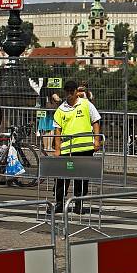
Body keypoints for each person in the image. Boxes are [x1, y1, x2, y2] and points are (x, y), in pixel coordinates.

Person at [53, 80, 102, 214]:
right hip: (67, 149)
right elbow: (57, 130)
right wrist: (57, 150)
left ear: (76, 91)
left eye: (71, 91)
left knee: (82, 177)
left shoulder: (86, 104)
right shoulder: (61, 109)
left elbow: (96, 121)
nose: (69, 94)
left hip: (85, 148)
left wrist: (96, 141)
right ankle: (59, 202)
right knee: (62, 177)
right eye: (67, 91)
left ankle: (78, 203)